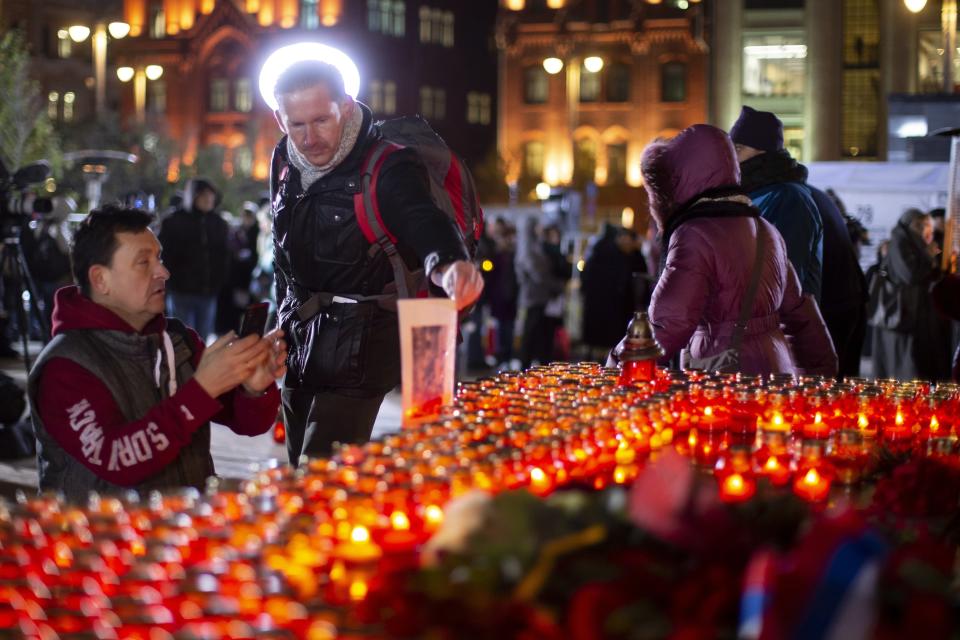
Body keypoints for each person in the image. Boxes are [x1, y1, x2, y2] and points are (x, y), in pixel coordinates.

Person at [269, 60, 483, 463]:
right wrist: (273, 329)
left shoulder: (388, 165)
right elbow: (283, 257)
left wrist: (449, 264)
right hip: (302, 339)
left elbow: (423, 220)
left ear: (346, 107)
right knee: (299, 461)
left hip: (363, 346)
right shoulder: (283, 163)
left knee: (322, 473)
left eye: (321, 120)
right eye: (297, 125)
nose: (309, 138)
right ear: (279, 119)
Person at [27, 206, 286, 503]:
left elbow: (247, 423)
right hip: (100, 541)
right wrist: (201, 391)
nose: (163, 271)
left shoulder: (178, 340)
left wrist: (253, 388)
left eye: (158, 258)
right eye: (143, 263)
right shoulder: (65, 367)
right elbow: (117, 460)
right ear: (100, 280)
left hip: (180, 532)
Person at [636, 124, 836, 376]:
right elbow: (799, 312)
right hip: (775, 372)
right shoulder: (765, 230)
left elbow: (669, 325)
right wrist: (822, 373)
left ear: (681, 177)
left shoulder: (693, 234)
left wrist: (619, 369)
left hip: (721, 378)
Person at [729, 106, 823, 301]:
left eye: (738, 149)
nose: (732, 157)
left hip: (779, 324)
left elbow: (786, 275)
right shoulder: (751, 193)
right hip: (752, 321)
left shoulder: (790, 198)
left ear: (764, 150)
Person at [869, 209, 952, 381]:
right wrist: (929, 254)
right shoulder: (900, 241)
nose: (924, 229)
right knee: (905, 364)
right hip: (901, 314)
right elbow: (910, 274)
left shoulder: (910, 241)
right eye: (920, 226)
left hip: (912, 313)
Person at [158, 178, 231, 340]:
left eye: (211, 195)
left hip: (208, 292)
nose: (208, 199)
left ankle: (201, 365)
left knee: (202, 338)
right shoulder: (174, 222)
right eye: (203, 195)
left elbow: (224, 255)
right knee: (183, 338)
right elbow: (165, 254)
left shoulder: (218, 223)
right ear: (193, 196)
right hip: (181, 292)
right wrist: (172, 281)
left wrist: (219, 281)